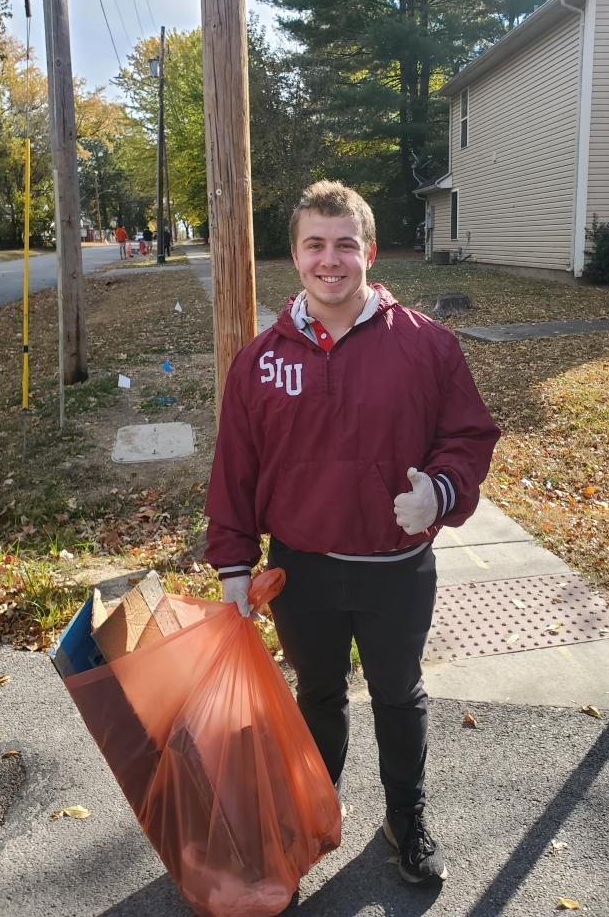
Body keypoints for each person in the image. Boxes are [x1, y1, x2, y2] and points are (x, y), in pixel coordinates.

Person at [204, 181, 499, 887]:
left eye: (344, 244)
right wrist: (234, 565)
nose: (329, 259)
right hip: (302, 568)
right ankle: (311, 818)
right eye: (315, 245)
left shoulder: (426, 345)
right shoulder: (260, 360)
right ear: (295, 256)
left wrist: (439, 492)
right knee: (318, 695)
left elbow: (468, 436)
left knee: (398, 695)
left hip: (396, 566)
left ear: (369, 252)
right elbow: (236, 467)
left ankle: (406, 817)